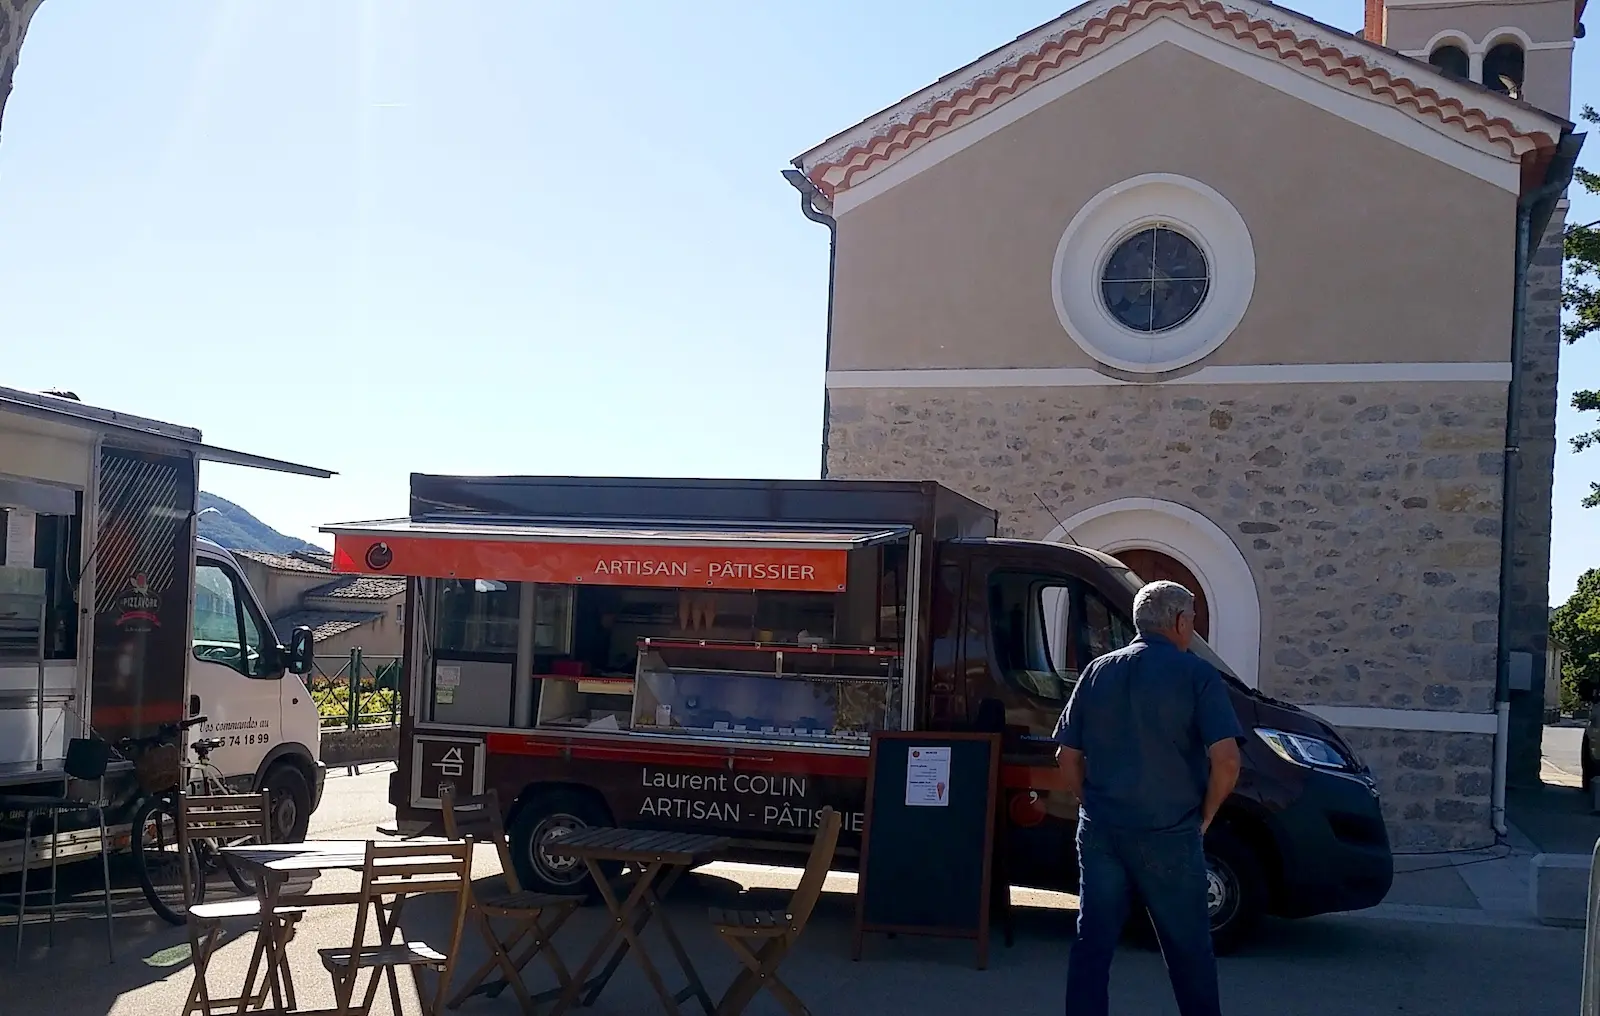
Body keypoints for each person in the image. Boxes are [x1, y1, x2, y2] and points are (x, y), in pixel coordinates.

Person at [1053, 579, 1244, 1016]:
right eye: (1192, 619)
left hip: (1103, 829)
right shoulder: (1197, 674)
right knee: (1189, 950)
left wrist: (1090, 804)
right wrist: (1206, 817)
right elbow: (1227, 761)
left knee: (1093, 943)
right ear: (1179, 622)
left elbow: (1066, 754)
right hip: (1170, 831)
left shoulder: (1098, 669)